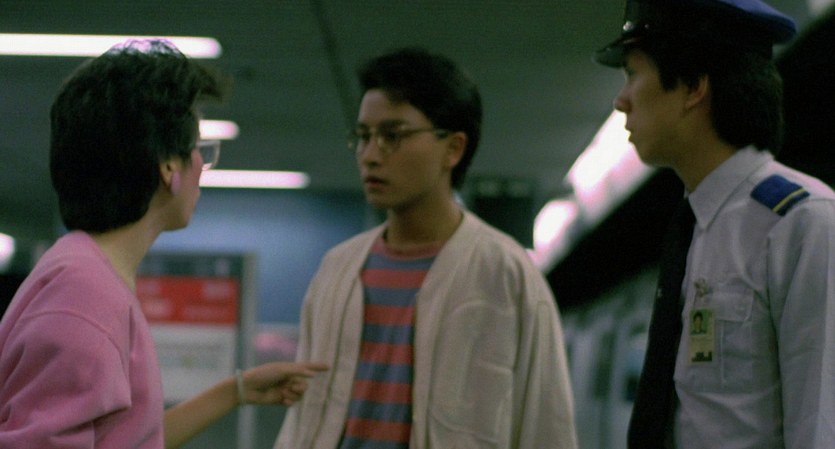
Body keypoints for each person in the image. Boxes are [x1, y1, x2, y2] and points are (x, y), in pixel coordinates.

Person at [0, 40, 327, 449]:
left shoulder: (87, 275)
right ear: (170, 166)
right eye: (199, 150)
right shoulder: (85, 299)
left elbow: (127, 439)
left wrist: (235, 391)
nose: (201, 166)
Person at [274, 47, 578, 449]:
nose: (370, 156)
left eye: (392, 136)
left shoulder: (505, 272)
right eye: (363, 137)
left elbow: (545, 425)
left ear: (453, 148)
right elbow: (302, 420)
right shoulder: (338, 269)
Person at [595, 1, 835, 448]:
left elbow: (820, 426)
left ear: (693, 87)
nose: (621, 100)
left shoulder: (802, 223)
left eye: (632, 74)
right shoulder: (694, 226)